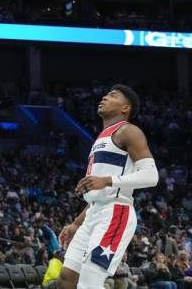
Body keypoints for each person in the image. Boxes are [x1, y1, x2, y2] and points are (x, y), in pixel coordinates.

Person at [57, 85, 159, 289]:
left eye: (112, 96)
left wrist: (108, 180)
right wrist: (76, 224)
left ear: (125, 108)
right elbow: (99, 195)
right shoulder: (100, 139)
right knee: (67, 278)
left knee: (89, 282)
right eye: (105, 95)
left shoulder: (129, 131)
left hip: (116, 213)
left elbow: (152, 176)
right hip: (95, 212)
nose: (104, 97)